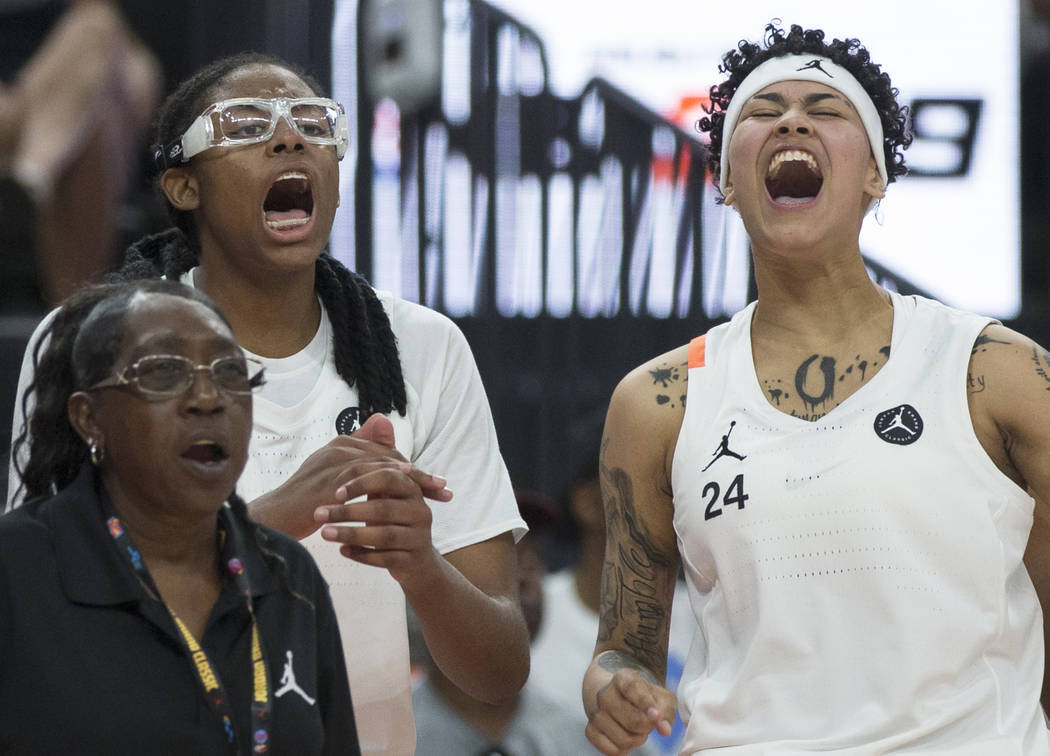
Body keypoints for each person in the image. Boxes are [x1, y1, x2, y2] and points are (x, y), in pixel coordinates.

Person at [8, 50, 529, 755]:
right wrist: (275, 521)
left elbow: (499, 674)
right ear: (183, 187)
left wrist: (421, 566)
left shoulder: (423, 346)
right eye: (247, 124)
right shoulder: (92, 342)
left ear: (337, 180)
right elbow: (38, 626)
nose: (291, 139)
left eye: (315, 123)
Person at [582, 21, 1050, 755]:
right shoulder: (657, 401)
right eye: (763, 111)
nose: (792, 118)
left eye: (826, 110)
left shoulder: (996, 371)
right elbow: (623, 650)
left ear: (874, 175)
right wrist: (614, 689)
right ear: (727, 180)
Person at [0, 280, 359, 754]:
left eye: (230, 371)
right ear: (89, 418)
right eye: (164, 370)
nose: (208, 397)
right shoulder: (17, 568)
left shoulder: (288, 576)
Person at [0, 0, 160, 314]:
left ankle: (28, 180)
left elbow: (141, 74)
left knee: (97, 29)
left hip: (56, 108)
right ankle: (77, 319)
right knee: (88, 123)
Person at [410, 489, 597, 756]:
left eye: (530, 561)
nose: (521, 579)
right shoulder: (378, 739)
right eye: (495, 565)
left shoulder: (585, 742)